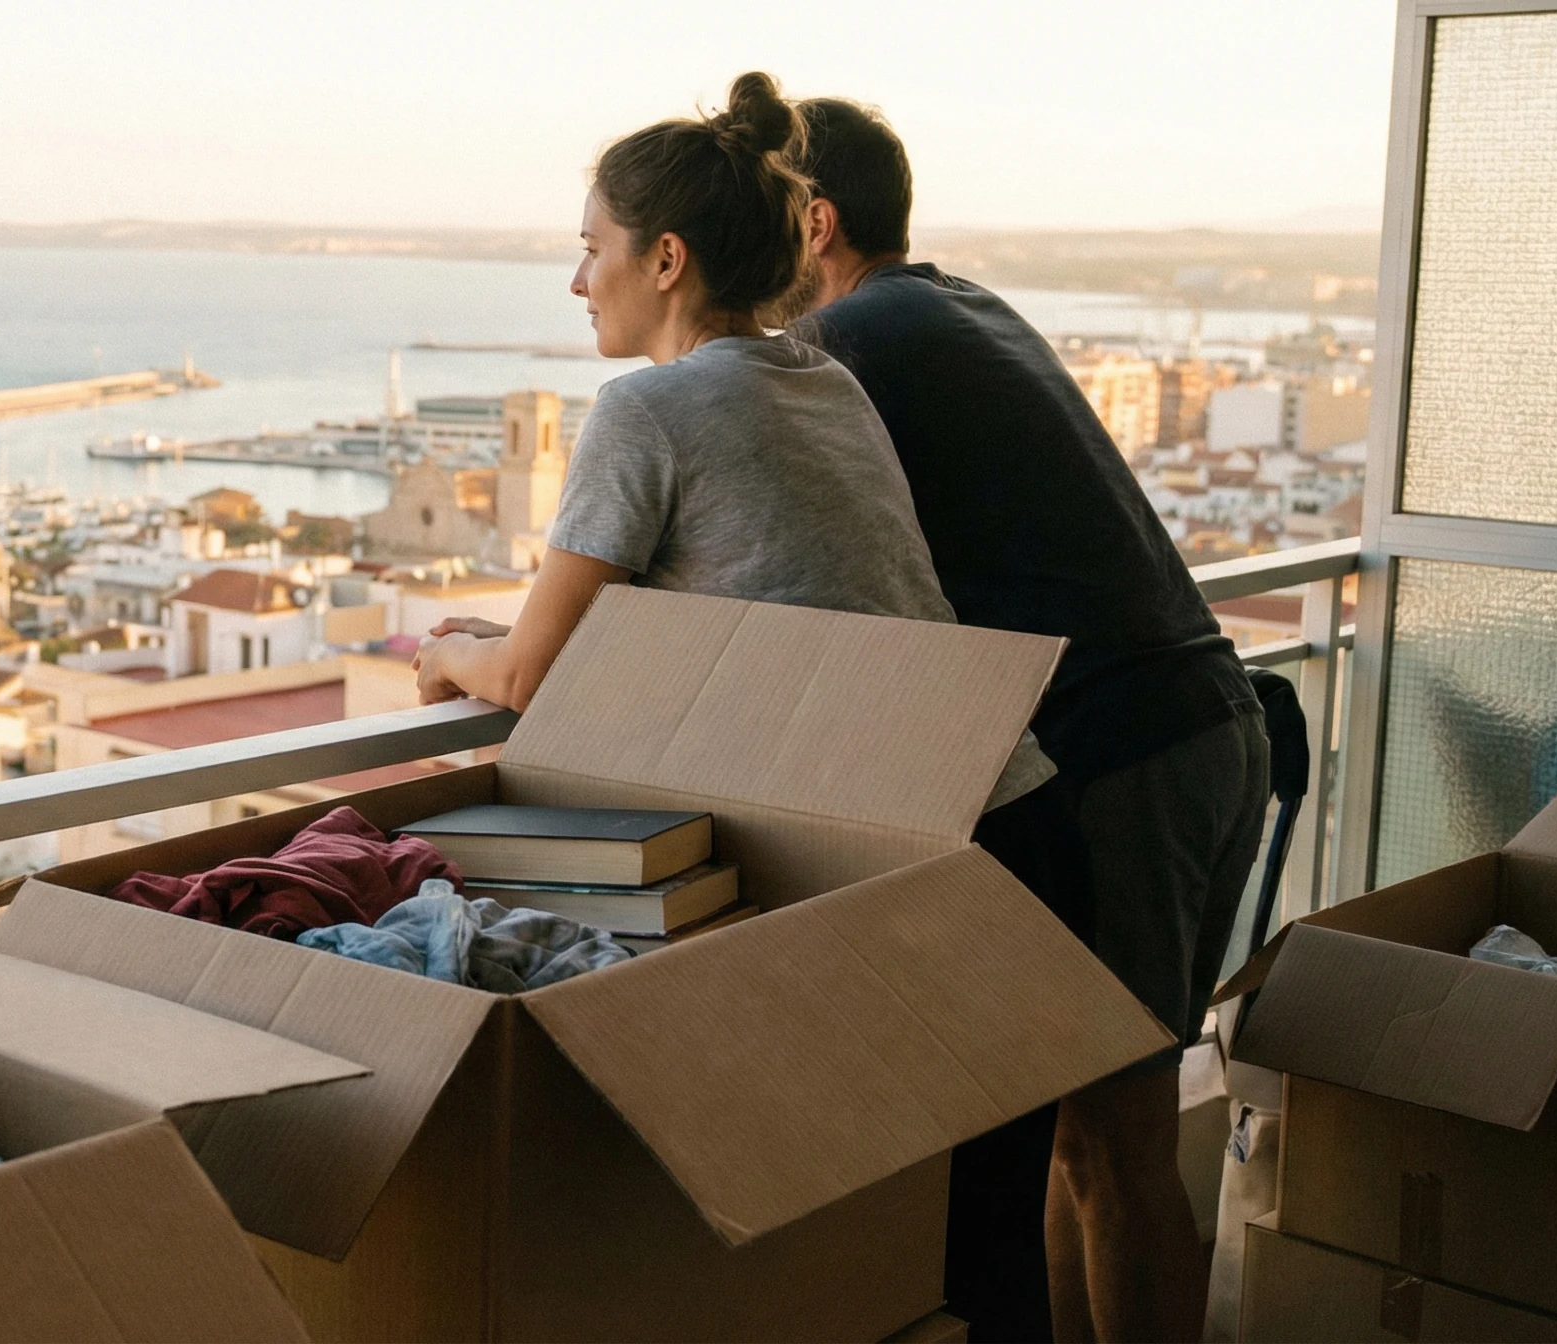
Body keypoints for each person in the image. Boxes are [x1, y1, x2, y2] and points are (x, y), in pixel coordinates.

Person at [785, 95, 1270, 1344]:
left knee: (1112, 1148)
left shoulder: (848, 338)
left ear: (814, 220)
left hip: (1120, 760)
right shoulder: (957, 305)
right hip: (1196, 726)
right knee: (1082, 1136)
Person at [416, 74, 1028, 746]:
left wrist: (448, 655)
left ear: (667, 259)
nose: (578, 281)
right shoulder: (824, 378)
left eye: (593, 250)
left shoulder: (643, 411)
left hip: (853, 801)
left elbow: (522, 682)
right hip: (963, 765)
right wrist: (508, 641)